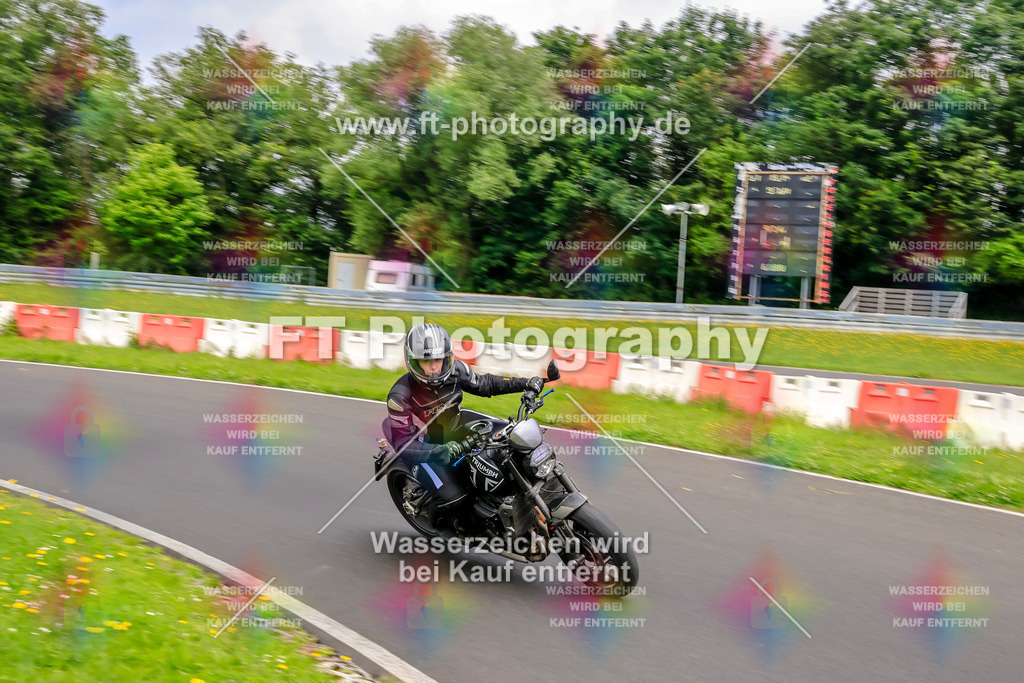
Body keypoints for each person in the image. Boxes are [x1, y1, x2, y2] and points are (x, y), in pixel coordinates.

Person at [385, 322, 544, 516]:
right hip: (426, 447)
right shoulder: (399, 396)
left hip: (455, 426)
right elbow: (402, 442)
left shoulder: (456, 370)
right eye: (427, 361)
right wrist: (440, 451)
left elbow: (486, 385)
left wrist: (525, 383)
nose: (435, 367)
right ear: (413, 361)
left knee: (513, 441)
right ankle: (444, 530)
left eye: (440, 359)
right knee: (456, 501)